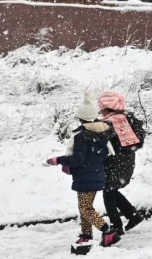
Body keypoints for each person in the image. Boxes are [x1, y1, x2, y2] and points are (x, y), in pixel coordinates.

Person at [47, 94, 121, 249]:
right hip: (94, 175)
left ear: (81, 117)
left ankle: (107, 231)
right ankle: (86, 235)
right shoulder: (101, 132)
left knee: (85, 208)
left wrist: (58, 160)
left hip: (86, 176)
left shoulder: (82, 136)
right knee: (84, 207)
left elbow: (78, 159)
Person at [97, 91, 145, 235]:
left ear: (107, 108)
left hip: (113, 162)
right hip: (127, 161)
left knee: (108, 192)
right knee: (112, 190)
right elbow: (139, 140)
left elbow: (104, 145)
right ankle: (132, 215)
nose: (100, 111)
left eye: (101, 108)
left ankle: (116, 227)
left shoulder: (107, 124)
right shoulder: (129, 119)